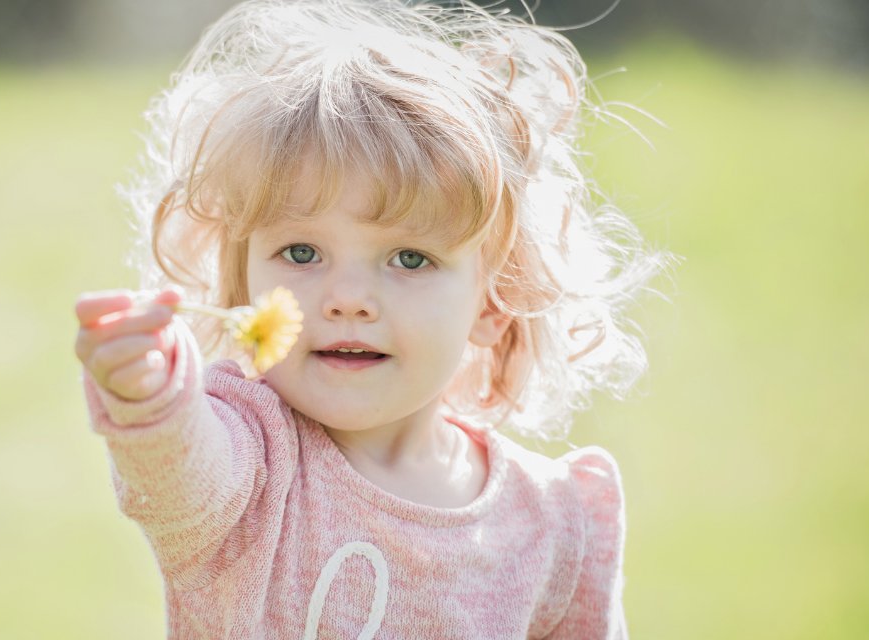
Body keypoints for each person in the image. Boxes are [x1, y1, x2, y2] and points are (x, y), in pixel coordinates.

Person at [73, 0, 665, 636]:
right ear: (244, 282)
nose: (347, 297)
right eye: (302, 253)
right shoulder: (250, 461)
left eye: (409, 258)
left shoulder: (553, 523)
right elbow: (177, 470)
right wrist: (152, 396)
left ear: (494, 303)